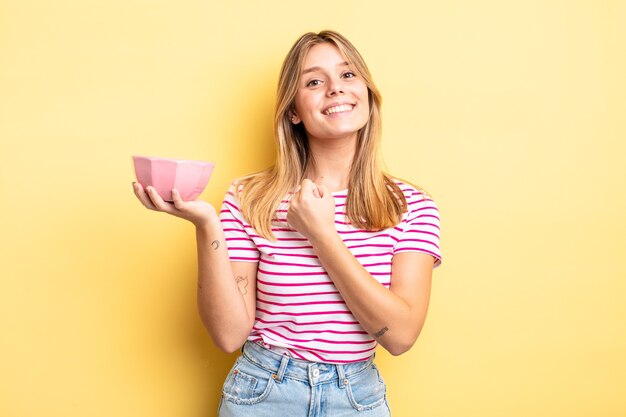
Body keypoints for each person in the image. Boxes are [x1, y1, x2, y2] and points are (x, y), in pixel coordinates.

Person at [133, 30, 441, 417]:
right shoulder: (250, 198)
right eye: (314, 81)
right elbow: (228, 335)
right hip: (262, 394)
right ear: (293, 110)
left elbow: (400, 336)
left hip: (357, 399)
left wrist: (322, 234)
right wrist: (207, 226)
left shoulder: (410, 206)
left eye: (348, 75)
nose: (335, 89)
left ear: (367, 92)